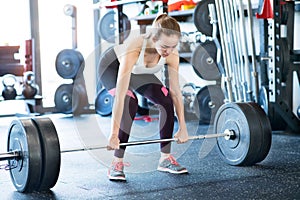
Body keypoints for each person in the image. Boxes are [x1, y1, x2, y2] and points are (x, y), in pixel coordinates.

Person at [98, 13, 189, 181]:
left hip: (139, 72)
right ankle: (117, 162)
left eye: (173, 46)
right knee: (129, 101)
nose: (168, 51)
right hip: (111, 67)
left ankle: (165, 159)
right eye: (164, 47)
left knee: (166, 100)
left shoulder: (171, 53)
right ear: (154, 39)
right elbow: (120, 95)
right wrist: (113, 133)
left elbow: (176, 91)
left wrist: (182, 127)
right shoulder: (135, 47)